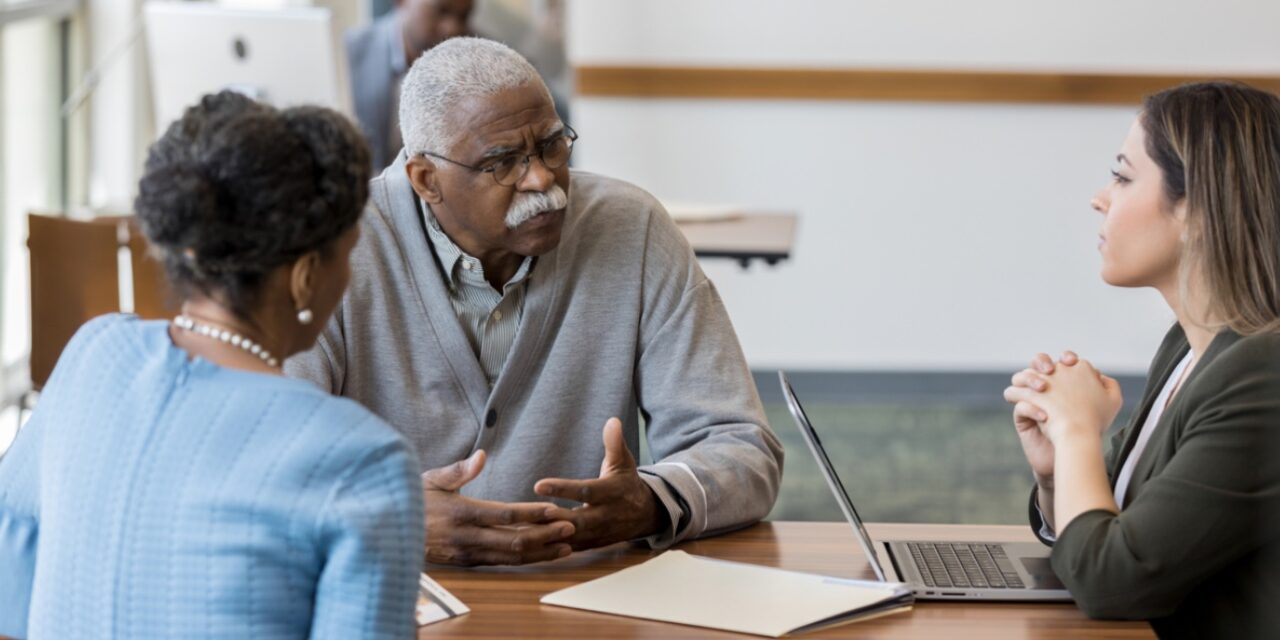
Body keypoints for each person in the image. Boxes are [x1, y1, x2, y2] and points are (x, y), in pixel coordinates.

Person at [285, 37, 784, 567]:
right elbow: (259, 467)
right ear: (427, 179)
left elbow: (741, 447)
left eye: (551, 145)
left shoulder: (632, 229)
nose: (543, 179)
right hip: (394, 592)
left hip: (587, 595)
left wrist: (652, 503)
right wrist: (388, 515)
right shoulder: (335, 247)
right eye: (502, 162)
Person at [0, 91, 424, 638]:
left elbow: (10, 585)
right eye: (350, 254)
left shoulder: (93, 352)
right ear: (304, 276)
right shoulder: (364, 462)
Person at [1003, 81, 1280, 638]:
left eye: (1124, 177)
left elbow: (1112, 581)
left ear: (1199, 210)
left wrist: (1079, 430)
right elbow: (1112, 528)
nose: (1100, 197)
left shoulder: (1262, 376)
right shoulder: (1190, 343)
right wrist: (1059, 470)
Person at [346, 0, 473, 171]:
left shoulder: (477, 60)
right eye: (441, 11)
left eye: (464, 16)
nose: (453, 28)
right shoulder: (349, 53)